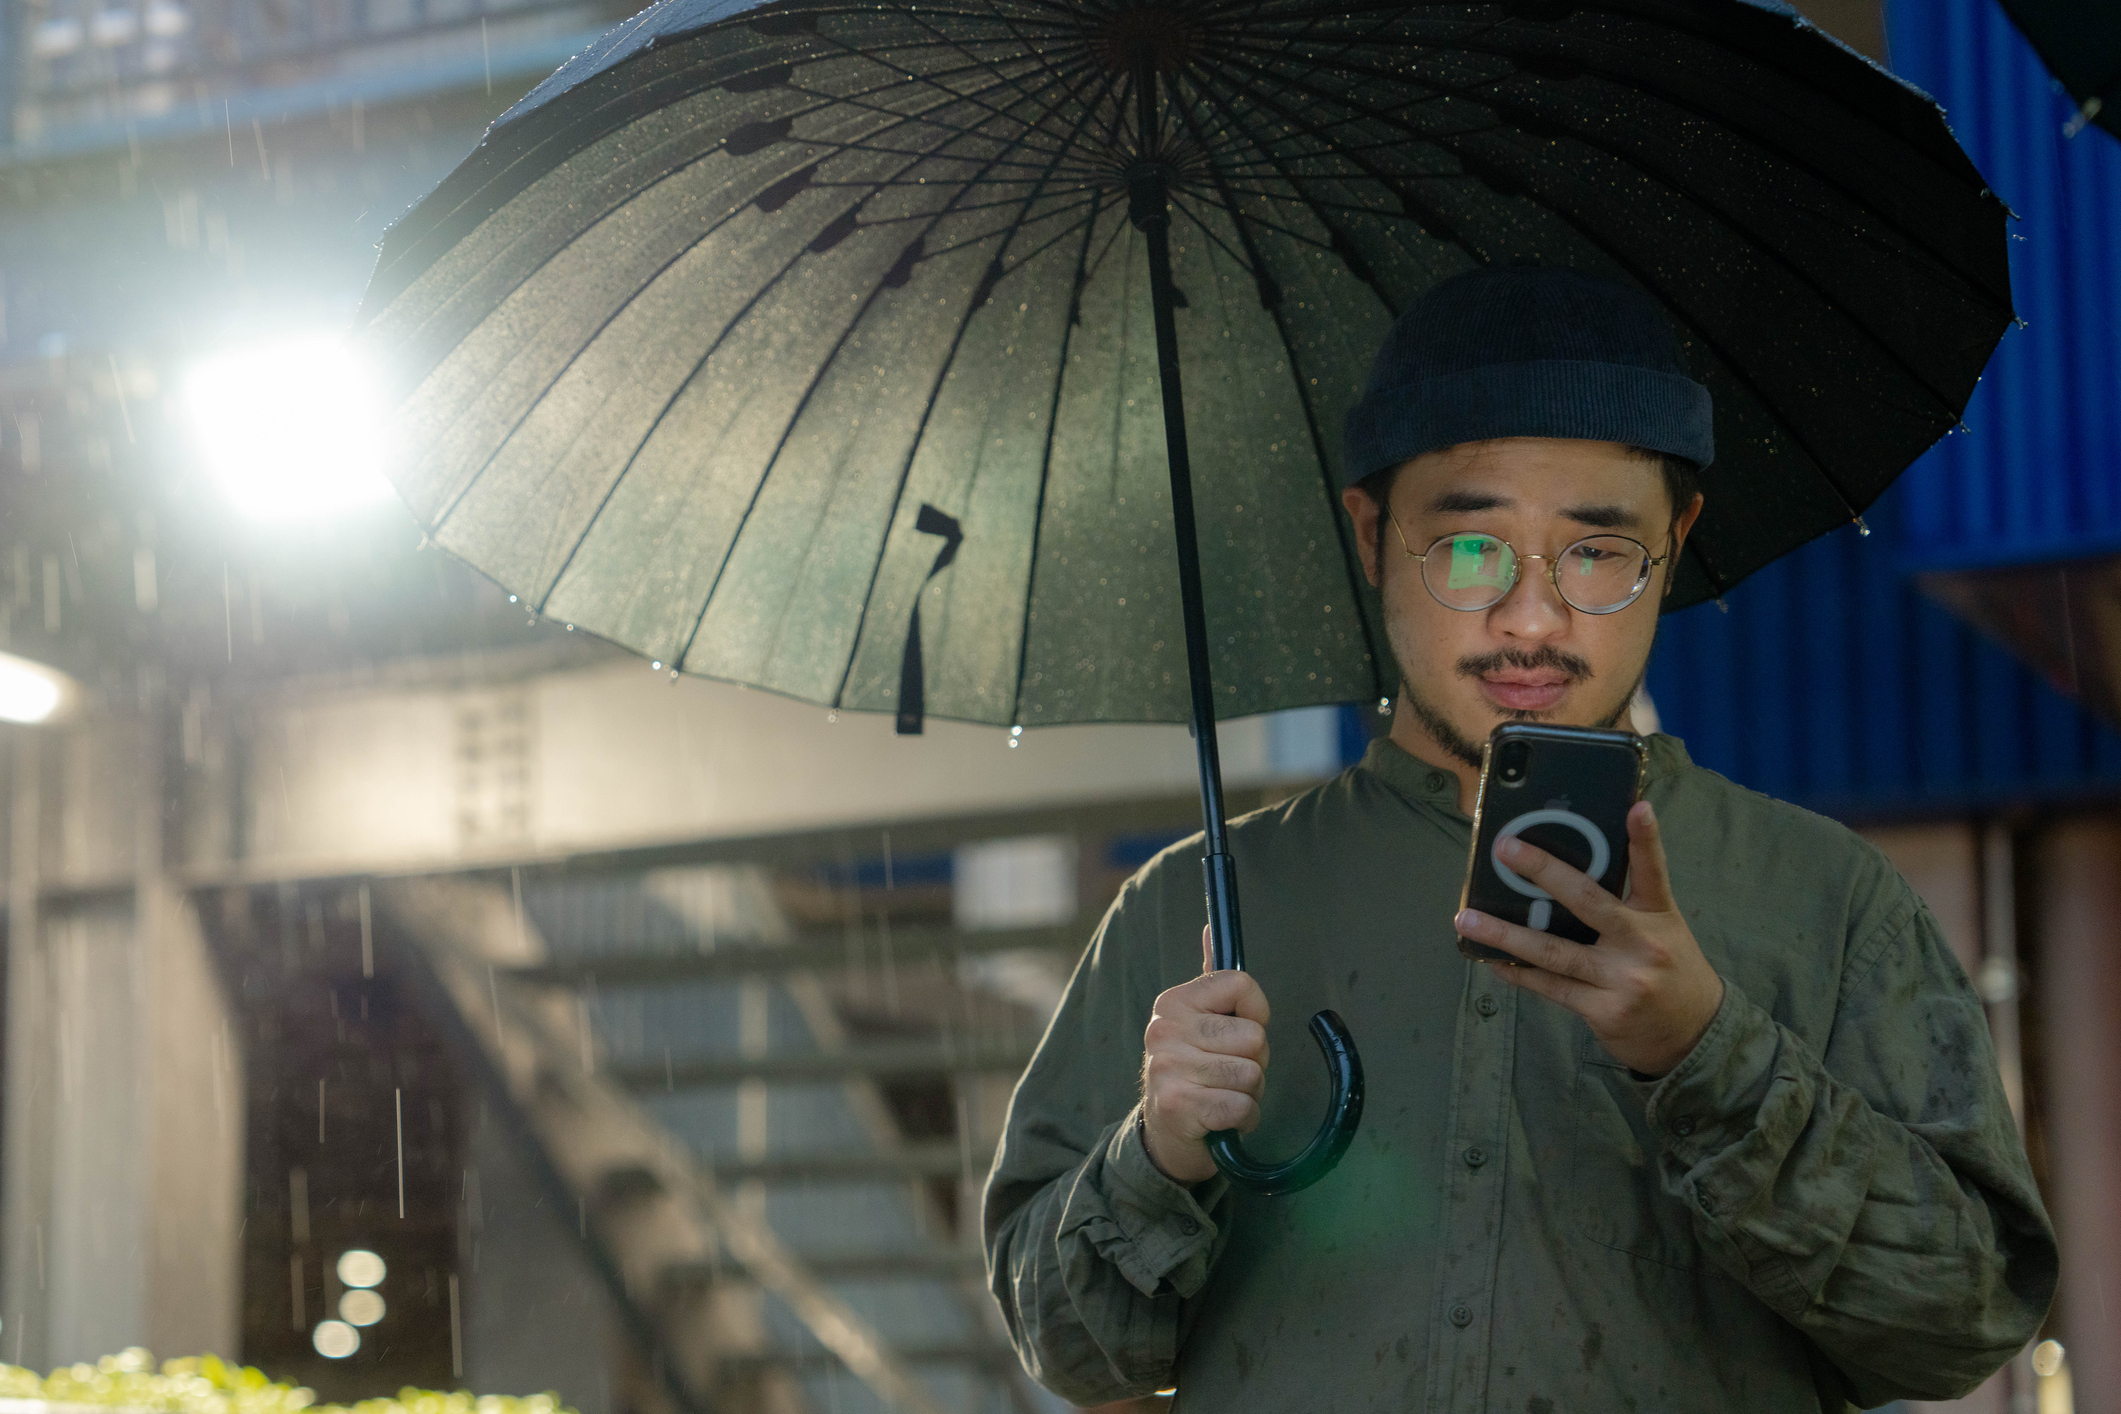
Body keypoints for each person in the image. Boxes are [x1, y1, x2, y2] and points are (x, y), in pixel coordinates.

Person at [981, 267, 2056, 1412]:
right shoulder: (1192, 908)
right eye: (1471, 548)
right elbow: (1071, 1347)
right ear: (1370, 532)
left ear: (1676, 541)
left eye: (1596, 552)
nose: (1532, 619)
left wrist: (1710, 1052)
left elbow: (1963, 1322)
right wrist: (1162, 1152)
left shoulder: (1829, 901)